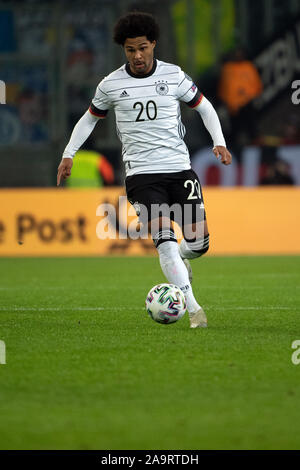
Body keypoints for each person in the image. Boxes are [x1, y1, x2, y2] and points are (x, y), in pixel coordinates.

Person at [57, 11, 232, 328]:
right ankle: (194, 310)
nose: (137, 56)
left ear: (153, 44)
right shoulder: (110, 84)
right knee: (163, 239)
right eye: (130, 50)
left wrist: (218, 141)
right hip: (141, 176)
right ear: (123, 50)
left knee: (199, 244)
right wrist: (69, 153)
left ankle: (181, 258)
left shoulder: (174, 75)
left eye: (142, 48)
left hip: (180, 170)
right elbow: (89, 118)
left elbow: (204, 106)